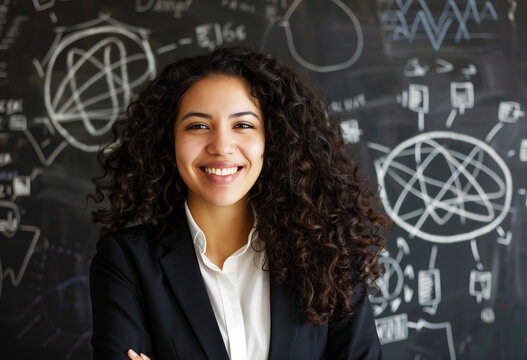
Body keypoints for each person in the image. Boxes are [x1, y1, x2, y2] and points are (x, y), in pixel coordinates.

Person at [88, 46, 389, 360]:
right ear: (169, 140)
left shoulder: (327, 252)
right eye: (198, 126)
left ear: (271, 141)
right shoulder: (125, 262)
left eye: (243, 125)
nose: (221, 147)